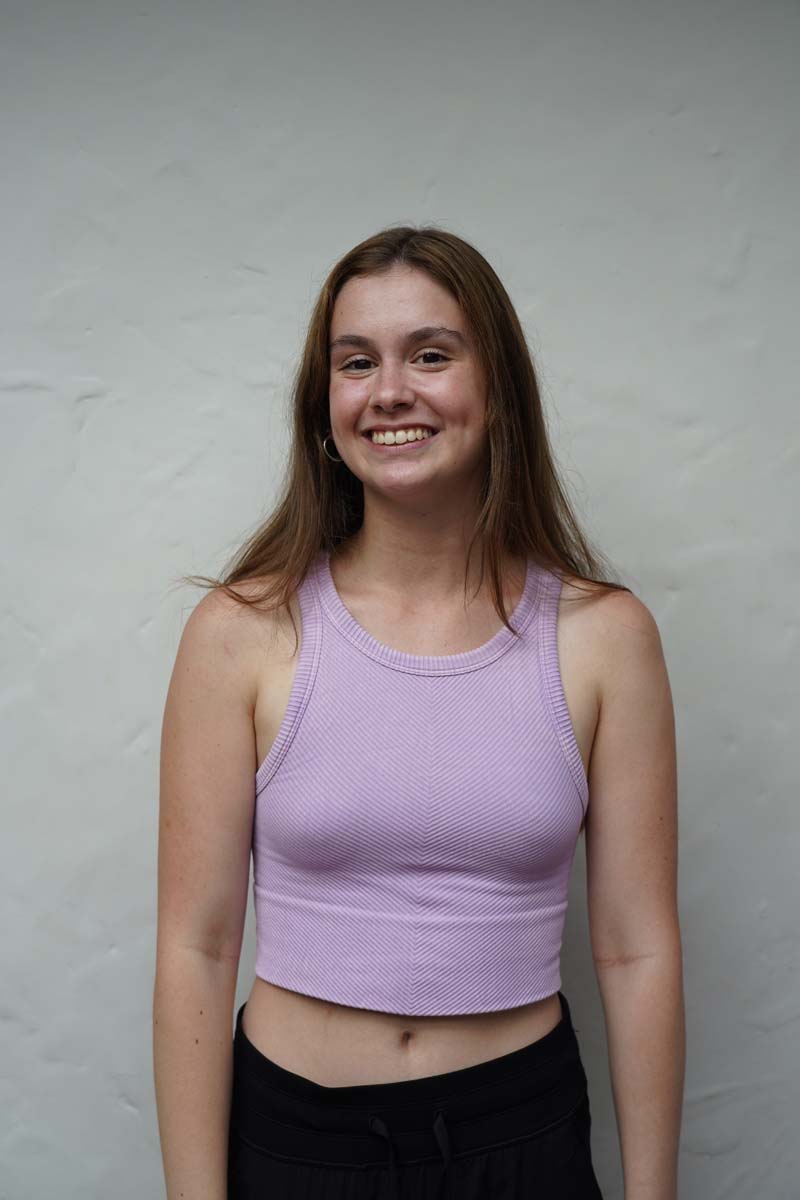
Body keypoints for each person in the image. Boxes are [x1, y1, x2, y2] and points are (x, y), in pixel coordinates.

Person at [153, 225, 685, 1199]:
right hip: (294, 1140)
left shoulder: (604, 638)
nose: (389, 389)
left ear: (496, 391)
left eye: (429, 355)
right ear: (325, 409)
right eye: (355, 363)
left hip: (516, 1138)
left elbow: (635, 946)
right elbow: (195, 945)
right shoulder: (239, 633)